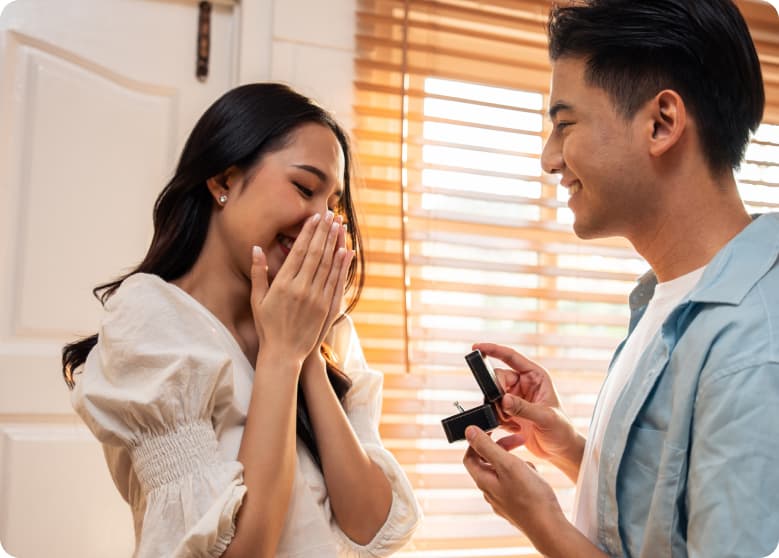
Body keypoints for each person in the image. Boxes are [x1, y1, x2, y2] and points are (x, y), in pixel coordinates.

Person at [461, 1, 779, 556]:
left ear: (661, 123)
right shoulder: (663, 298)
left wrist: (542, 524)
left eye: (564, 125)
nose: (549, 159)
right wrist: (568, 449)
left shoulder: (752, 344)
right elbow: (662, 517)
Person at [62, 83, 420, 558]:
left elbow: (370, 525)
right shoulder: (151, 320)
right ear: (223, 181)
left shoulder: (326, 330)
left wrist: (308, 354)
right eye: (304, 188)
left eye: (333, 205)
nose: (323, 221)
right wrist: (281, 356)